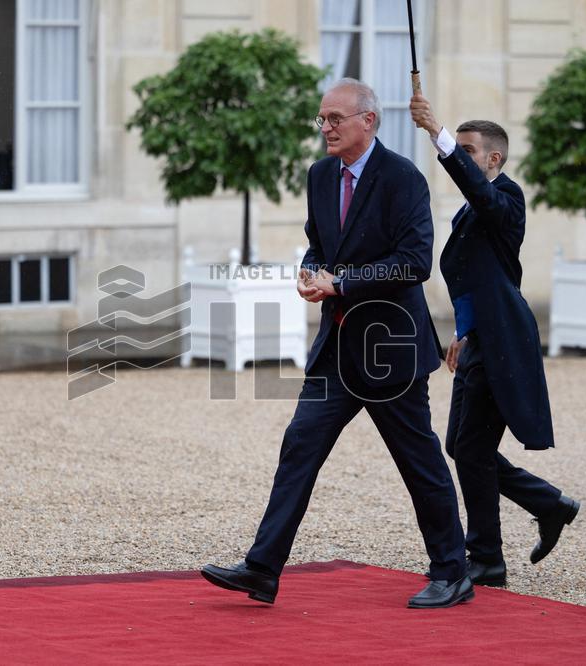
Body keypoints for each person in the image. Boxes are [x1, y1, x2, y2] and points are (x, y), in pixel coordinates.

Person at [201, 78, 473, 609]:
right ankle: (262, 568)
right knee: (299, 447)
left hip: (389, 350)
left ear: (367, 121)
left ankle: (452, 571)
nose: (324, 128)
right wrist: (309, 273)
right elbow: (317, 244)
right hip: (336, 350)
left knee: (418, 463)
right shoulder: (320, 175)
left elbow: (415, 261)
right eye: (321, 119)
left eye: (334, 119)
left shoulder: (404, 179)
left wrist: (341, 283)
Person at [409, 93, 580, 587]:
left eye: (468, 151)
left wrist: (437, 132)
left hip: (506, 340)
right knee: (460, 445)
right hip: (481, 338)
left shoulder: (506, 198)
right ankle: (548, 504)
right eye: (458, 149)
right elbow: (471, 275)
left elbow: (480, 198)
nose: (461, 158)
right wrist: (463, 333)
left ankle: (487, 557)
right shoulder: (473, 209)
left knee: (472, 449)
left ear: (493, 159)